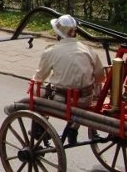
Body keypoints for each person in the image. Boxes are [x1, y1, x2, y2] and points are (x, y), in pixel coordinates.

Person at [32, 14, 105, 143]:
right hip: (85, 100)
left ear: (58, 34)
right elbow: (100, 77)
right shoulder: (88, 50)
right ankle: (73, 129)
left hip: (62, 101)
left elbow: (39, 78)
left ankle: (40, 127)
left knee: (38, 89)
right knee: (89, 90)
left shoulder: (51, 51)